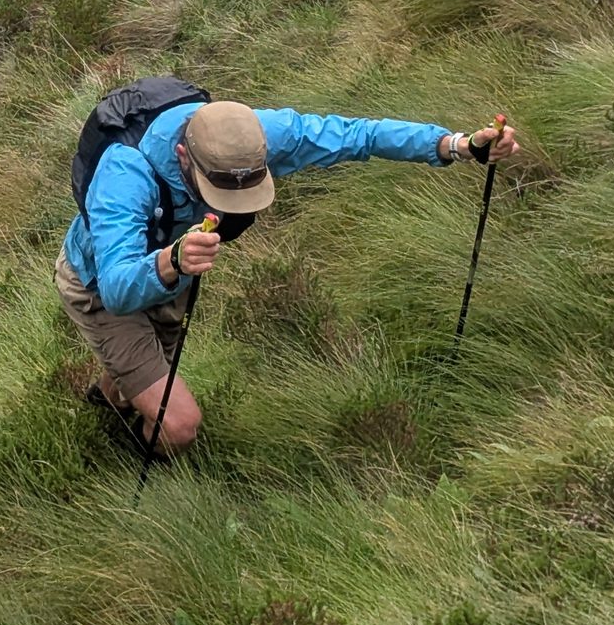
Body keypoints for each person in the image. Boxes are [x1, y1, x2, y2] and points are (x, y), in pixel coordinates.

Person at [59, 96, 519, 455]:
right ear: (183, 156)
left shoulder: (254, 137)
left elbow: (359, 135)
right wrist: (170, 262)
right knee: (178, 425)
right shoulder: (125, 176)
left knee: (140, 377)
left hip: (175, 271)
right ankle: (137, 463)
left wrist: (456, 145)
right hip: (101, 285)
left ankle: (103, 414)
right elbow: (117, 288)